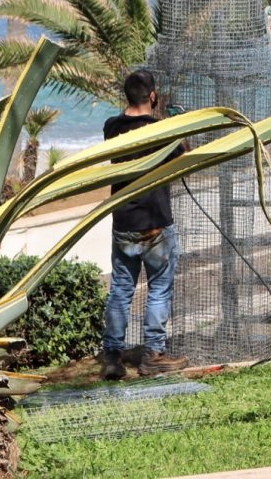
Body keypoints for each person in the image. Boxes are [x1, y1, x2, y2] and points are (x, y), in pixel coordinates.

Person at [100, 70, 189, 380]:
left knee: (121, 290)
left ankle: (112, 356)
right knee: (159, 291)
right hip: (156, 224)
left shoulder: (111, 128)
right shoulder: (162, 130)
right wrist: (178, 125)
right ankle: (152, 354)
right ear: (153, 96)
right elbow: (183, 157)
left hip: (123, 223)